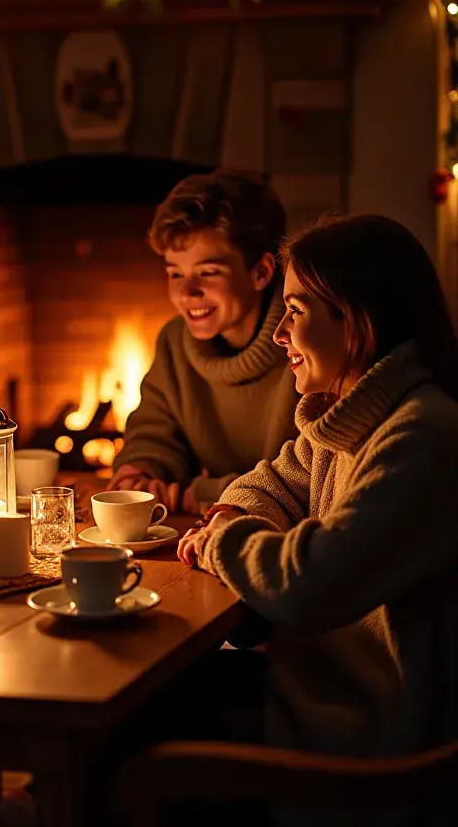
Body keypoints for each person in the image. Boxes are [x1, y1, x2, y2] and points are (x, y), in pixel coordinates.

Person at [178, 215, 458, 824]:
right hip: (316, 690)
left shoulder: (422, 434)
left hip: (372, 739)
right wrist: (234, 509)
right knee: (153, 698)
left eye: (296, 311)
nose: (279, 333)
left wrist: (223, 538)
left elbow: (309, 581)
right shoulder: (350, 417)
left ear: (357, 319)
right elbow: (270, 481)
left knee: (139, 735)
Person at [108, 171, 299, 513]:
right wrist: (141, 472)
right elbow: (156, 430)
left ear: (261, 273)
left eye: (208, 272)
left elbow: (311, 480)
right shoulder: (175, 343)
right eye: (175, 273)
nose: (186, 292)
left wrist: (202, 493)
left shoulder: (305, 344)